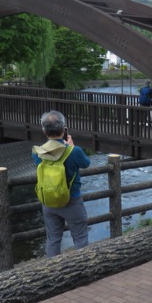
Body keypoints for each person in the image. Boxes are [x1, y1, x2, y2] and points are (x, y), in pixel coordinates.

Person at [32, 110, 91, 257]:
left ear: (44, 130)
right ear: (64, 129)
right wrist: (70, 146)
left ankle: (53, 273)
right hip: (72, 200)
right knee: (80, 237)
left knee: (53, 239)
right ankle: (82, 271)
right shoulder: (74, 151)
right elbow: (86, 163)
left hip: (48, 201)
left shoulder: (37, 152)